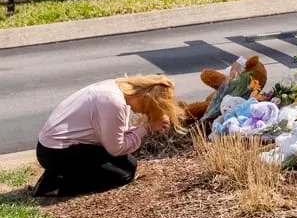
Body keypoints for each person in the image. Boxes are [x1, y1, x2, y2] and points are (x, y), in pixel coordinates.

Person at [33, 75, 184, 197]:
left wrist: (142, 128)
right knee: (122, 174)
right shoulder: (114, 103)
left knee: (128, 164)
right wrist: (147, 128)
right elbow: (116, 148)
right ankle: (58, 186)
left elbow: (115, 134)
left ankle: (57, 175)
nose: (144, 113)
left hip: (53, 147)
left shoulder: (114, 88)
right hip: (56, 153)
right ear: (147, 98)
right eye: (149, 109)